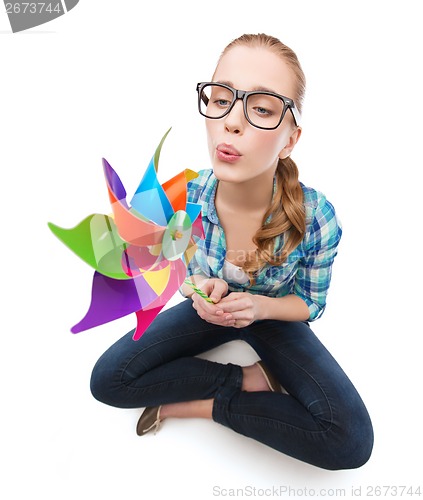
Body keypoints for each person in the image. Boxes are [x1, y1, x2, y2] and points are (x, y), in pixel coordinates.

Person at [90, 33, 373, 470]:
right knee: (108, 380)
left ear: (290, 139)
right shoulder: (184, 195)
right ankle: (248, 379)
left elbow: (311, 303)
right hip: (211, 310)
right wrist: (197, 288)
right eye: (221, 100)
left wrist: (258, 306)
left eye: (260, 109)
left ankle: (204, 407)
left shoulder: (318, 217)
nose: (231, 122)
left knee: (350, 442)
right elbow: (177, 264)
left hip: (270, 315)